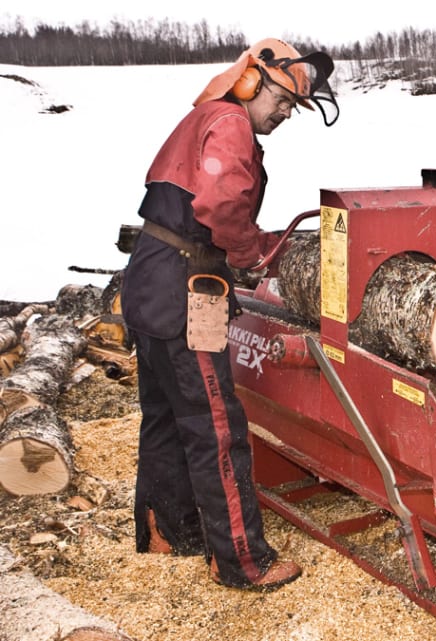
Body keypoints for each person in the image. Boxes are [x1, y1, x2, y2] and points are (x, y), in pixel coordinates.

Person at [119, 38, 338, 592]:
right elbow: (219, 207)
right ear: (253, 82)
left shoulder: (205, 118)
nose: (287, 116)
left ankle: (169, 531)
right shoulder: (232, 124)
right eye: (284, 103)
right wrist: (252, 256)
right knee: (217, 427)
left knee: (166, 416)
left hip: (149, 277)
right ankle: (243, 562)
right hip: (186, 289)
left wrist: (251, 244)